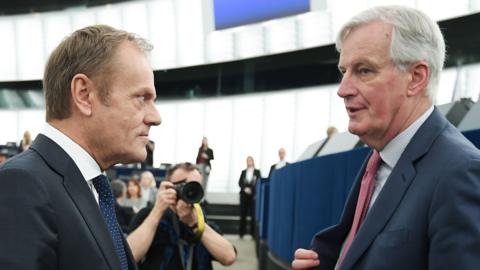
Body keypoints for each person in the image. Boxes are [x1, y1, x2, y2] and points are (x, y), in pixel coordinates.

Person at [292, 6, 480, 270]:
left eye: (364, 70)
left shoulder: (461, 172)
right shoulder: (379, 157)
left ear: (416, 78)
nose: (343, 89)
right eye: (343, 71)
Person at [0, 25, 161, 269]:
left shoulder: (92, 186)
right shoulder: (22, 183)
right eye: (141, 98)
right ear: (84, 95)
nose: (155, 117)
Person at [127, 162, 236, 270]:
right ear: (168, 185)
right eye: (183, 185)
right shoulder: (147, 214)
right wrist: (157, 211)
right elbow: (129, 256)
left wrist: (196, 224)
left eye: (195, 185)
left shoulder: (202, 219)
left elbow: (229, 257)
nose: (190, 190)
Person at [238, 156, 262, 239]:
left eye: (250, 160)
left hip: (253, 196)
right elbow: (240, 182)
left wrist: (253, 191)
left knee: (253, 215)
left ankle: (253, 234)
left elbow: (259, 183)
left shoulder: (257, 172)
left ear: (253, 161)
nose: (249, 162)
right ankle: (241, 234)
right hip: (244, 196)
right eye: (247, 160)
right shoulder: (243, 171)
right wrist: (245, 189)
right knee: (243, 214)